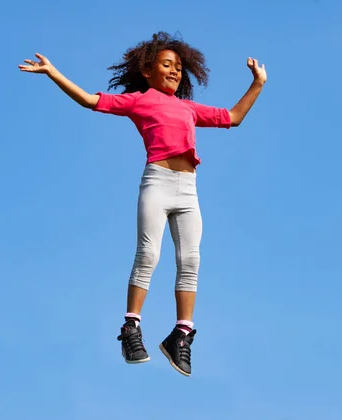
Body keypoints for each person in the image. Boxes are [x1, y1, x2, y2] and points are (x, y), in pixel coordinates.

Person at [19, 31, 267, 376]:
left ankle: (180, 335)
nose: (175, 71)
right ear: (148, 71)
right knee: (148, 254)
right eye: (167, 64)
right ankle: (131, 327)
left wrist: (259, 83)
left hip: (188, 188)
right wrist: (53, 72)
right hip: (157, 182)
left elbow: (233, 117)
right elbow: (91, 101)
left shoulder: (188, 108)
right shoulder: (139, 100)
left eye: (179, 67)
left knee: (191, 259)